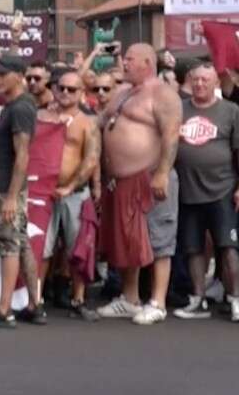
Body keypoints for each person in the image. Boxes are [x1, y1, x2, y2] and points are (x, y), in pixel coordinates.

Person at [97, 44, 182, 325]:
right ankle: (130, 299)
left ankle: (157, 302)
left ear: (148, 62)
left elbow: (171, 135)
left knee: (159, 239)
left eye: (130, 59)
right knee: (127, 241)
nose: (124, 63)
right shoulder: (122, 93)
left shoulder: (163, 94)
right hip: (120, 181)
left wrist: (161, 173)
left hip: (150, 176)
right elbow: (99, 122)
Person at [0, 55, 43, 328]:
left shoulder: (21, 109)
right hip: (6, 186)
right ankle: (35, 305)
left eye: (3, 75)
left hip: (7, 188)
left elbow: (23, 155)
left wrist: (11, 196)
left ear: (19, 76)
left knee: (9, 246)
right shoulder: (16, 104)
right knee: (21, 244)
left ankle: (4, 309)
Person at [171, 64, 239, 322]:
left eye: (206, 80)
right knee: (193, 248)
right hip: (188, 191)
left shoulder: (231, 111)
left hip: (222, 190)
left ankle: (235, 299)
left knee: (229, 246)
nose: (200, 84)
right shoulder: (180, 109)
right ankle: (197, 300)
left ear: (216, 84)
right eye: (196, 79)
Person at [36, 69, 101, 321]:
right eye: (61, 87)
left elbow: (91, 158)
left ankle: (78, 299)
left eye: (71, 89)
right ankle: (36, 299)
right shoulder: (41, 116)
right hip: (44, 192)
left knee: (78, 249)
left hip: (74, 193)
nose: (65, 93)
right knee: (42, 249)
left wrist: (72, 185)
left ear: (81, 93)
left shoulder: (88, 122)